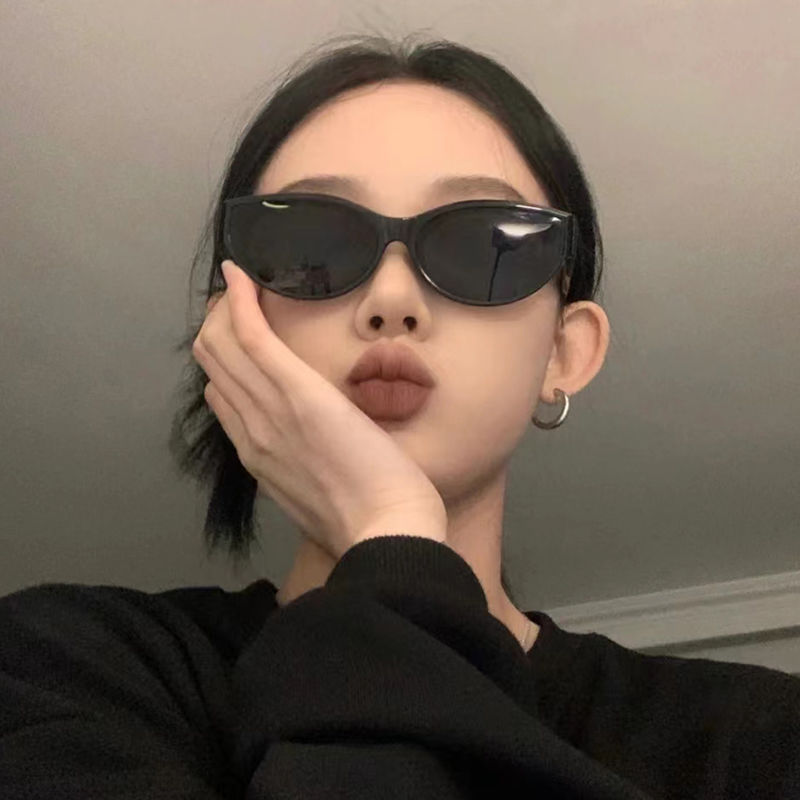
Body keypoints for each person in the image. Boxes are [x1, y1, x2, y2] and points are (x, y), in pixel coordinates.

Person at [1, 32, 798, 800]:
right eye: (310, 240)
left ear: (566, 351)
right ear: (231, 331)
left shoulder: (757, 742)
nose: (391, 299)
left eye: (485, 240)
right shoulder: (63, 665)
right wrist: (389, 535)